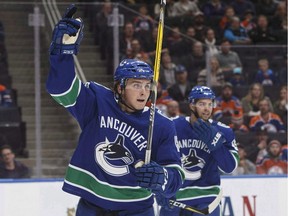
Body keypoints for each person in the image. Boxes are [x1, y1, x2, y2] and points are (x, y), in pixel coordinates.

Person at [46, 5, 184, 216]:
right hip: (92, 206)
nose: (143, 92)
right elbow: (61, 89)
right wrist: (62, 54)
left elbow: (176, 175)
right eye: (136, 85)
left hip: (137, 209)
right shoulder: (97, 101)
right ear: (119, 87)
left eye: (147, 86)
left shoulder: (162, 125)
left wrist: (163, 176)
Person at [157, 86, 239, 216]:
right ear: (191, 105)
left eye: (210, 104)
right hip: (174, 196)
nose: (207, 108)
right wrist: (159, 188)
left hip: (207, 197)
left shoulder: (223, 131)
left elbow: (230, 167)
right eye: (202, 104)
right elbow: (157, 158)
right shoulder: (171, 126)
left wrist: (216, 145)